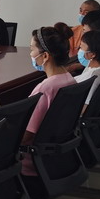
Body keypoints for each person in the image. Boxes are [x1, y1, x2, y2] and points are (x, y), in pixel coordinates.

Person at [21, 24, 76, 178]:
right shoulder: (70, 79)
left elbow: (26, 135)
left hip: (32, 162)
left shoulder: (45, 88)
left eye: (32, 49)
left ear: (45, 56)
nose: (30, 54)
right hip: (56, 158)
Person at [74, 29, 100, 106]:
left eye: (81, 47)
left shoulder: (93, 76)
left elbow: (86, 105)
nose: (79, 50)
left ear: (92, 54)